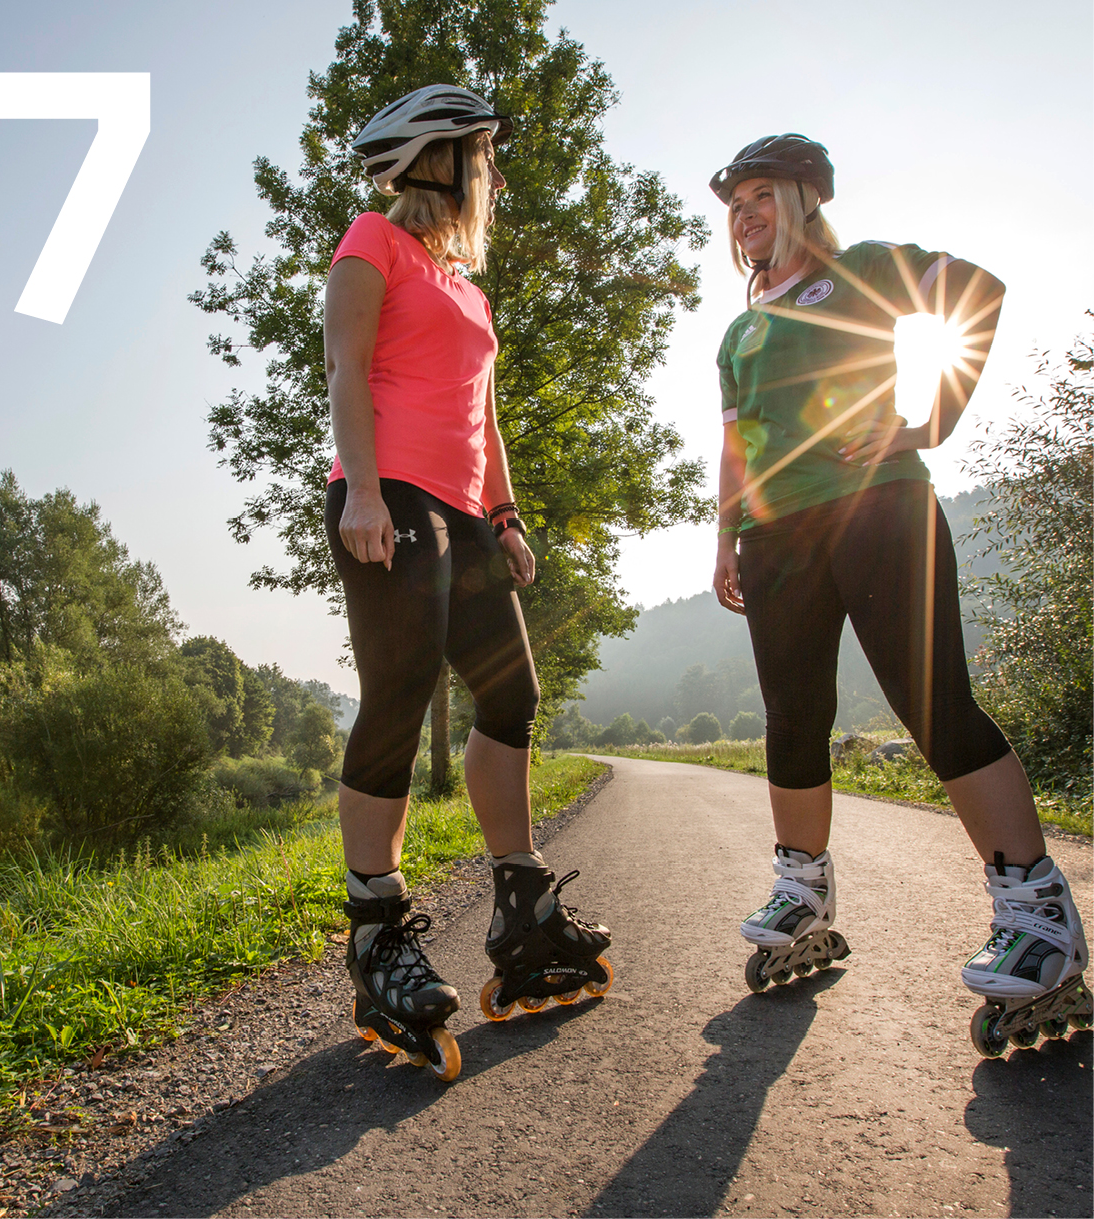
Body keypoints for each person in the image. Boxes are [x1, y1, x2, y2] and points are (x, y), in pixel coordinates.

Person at [707, 134, 1089, 1052]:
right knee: (792, 717)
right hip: (776, 537)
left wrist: (932, 420)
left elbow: (979, 296)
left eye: (761, 195)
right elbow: (735, 444)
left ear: (802, 199)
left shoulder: (866, 268)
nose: (745, 215)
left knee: (933, 705)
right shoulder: (738, 329)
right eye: (735, 205)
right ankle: (801, 894)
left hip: (881, 508)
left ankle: (1036, 916)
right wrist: (726, 533)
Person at [324, 85, 612, 1082]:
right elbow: (346, 367)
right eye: (482, 155)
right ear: (440, 160)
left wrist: (507, 517)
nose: (493, 173)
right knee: (400, 697)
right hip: (388, 493)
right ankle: (376, 931)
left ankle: (523, 904)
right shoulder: (373, 241)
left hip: (460, 507)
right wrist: (360, 491)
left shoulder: (467, 288)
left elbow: (484, 421)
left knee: (514, 695)